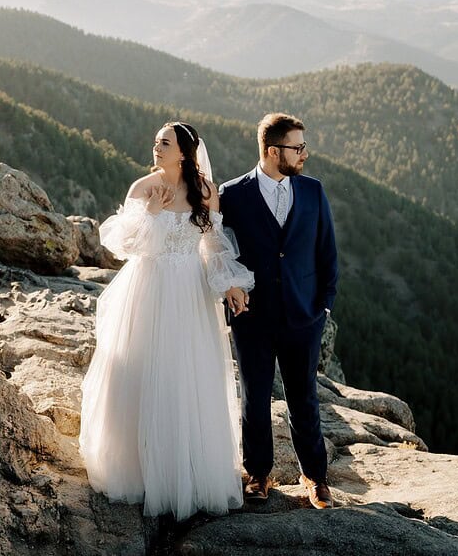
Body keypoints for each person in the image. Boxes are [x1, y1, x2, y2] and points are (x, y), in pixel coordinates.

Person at [79, 121, 254, 520]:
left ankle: (185, 467)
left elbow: (213, 246)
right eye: (156, 140)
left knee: (184, 374)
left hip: (189, 291)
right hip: (148, 286)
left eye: (165, 142)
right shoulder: (143, 187)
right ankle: (138, 469)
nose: (156, 147)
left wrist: (230, 285)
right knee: (142, 372)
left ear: (184, 152)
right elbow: (122, 246)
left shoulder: (206, 192)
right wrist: (151, 215)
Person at [219, 112, 338, 509]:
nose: (305, 153)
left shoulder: (313, 190)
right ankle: (258, 474)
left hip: (304, 315)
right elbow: (216, 249)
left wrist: (324, 304)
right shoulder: (232, 194)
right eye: (297, 147)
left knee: (304, 396)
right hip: (252, 317)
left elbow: (327, 251)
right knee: (255, 397)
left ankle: (315, 478)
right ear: (273, 151)